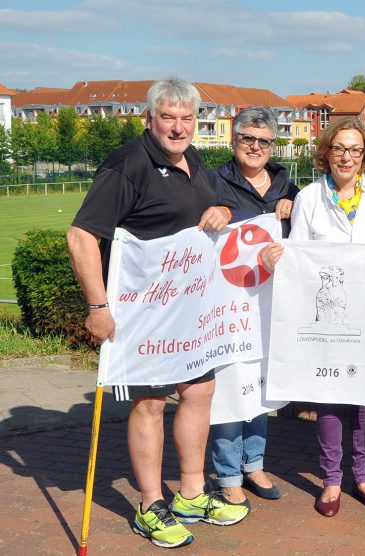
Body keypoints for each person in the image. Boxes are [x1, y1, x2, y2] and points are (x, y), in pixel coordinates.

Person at [66, 78, 247, 549]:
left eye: (187, 118)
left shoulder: (194, 159)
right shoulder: (128, 164)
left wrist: (223, 209)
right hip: (144, 313)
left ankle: (190, 492)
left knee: (200, 390)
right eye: (168, 117)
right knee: (148, 403)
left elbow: (209, 209)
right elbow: (81, 236)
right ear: (150, 120)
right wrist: (98, 306)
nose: (178, 126)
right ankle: (150, 504)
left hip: (192, 310)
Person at [280, 118, 365, 518]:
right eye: (338, 149)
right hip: (326, 312)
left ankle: (363, 477)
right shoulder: (310, 196)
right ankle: (331, 481)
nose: (346, 157)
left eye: (354, 149)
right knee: (329, 397)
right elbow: (299, 256)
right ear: (326, 153)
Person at [208, 106, 299, 508]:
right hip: (228, 304)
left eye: (263, 140)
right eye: (248, 138)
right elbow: (198, 233)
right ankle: (227, 472)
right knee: (229, 386)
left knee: (261, 384)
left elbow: (302, 238)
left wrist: (292, 211)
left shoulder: (286, 184)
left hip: (269, 303)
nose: (255, 147)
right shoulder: (212, 182)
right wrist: (219, 213)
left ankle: (255, 463)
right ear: (234, 139)